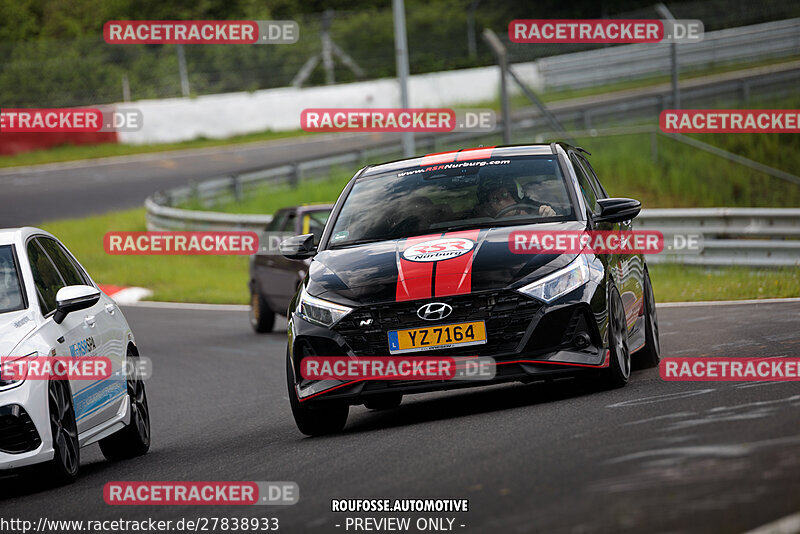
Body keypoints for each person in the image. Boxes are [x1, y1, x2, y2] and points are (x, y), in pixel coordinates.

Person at [474, 176, 556, 218]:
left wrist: (548, 213)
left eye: (504, 195)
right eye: (494, 199)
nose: (501, 201)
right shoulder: (486, 224)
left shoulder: (536, 210)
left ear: (515, 195)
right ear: (490, 207)